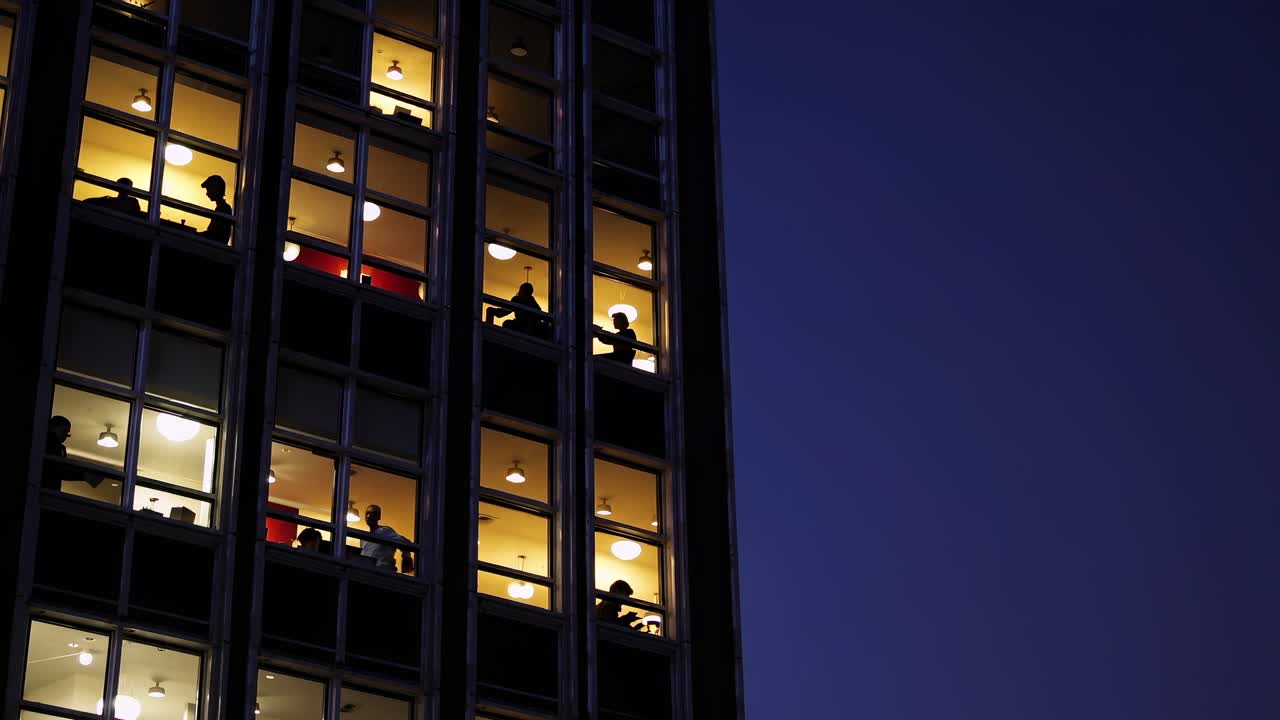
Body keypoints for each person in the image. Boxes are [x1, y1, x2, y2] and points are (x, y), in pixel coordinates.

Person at [361, 504, 414, 573]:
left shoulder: (385, 531)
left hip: (383, 571)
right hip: (367, 572)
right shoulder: (364, 538)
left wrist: (407, 557)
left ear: (378, 517)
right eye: (367, 513)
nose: (369, 516)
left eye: (373, 513)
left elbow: (405, 542)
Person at [198, 175, 233, 243]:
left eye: (208, 189)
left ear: (216, 189)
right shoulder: (222, 208)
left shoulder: (223, 209)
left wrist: (195, 235)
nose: (207, 193)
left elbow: (212, 234)